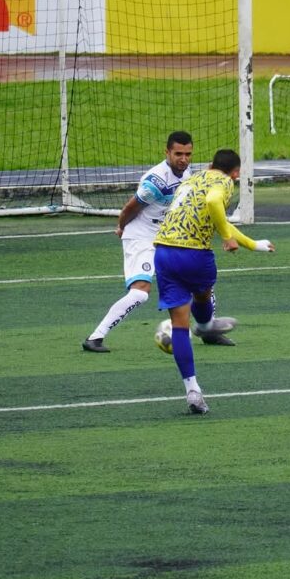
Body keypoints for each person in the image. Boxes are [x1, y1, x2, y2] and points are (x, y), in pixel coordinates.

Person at [82, 131, 236, 352]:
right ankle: (95, 338)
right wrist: (122, 226)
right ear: (167, 152)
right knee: (140, 292)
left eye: (188, 154)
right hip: (141, 236)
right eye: (178, 154)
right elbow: (130, 207)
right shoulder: (156, 181)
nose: (183, 159)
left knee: (201, 281)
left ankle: (207, 330)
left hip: (168, 236)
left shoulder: (187, 173)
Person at [152, 149, 274, 414]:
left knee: (179, 327)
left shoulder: (192, 178)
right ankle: (206, 324)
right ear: (235, 173)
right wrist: (227, 238)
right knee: (203, 295)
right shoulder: (224, 182)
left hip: (163, 251)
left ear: (210, 164)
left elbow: (215, 215)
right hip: (194, 253)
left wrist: (252, 244)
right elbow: (214, 202)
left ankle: (193, 391)